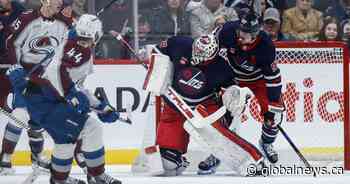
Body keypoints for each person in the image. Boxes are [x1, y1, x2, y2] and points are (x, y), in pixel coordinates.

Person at [6, 14, 122, 184]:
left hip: (43, 99)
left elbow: (73, 84)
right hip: (46, 101)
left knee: (65, 140)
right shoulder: (78, 51)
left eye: (86, 39)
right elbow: (57, 75)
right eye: (83, 38)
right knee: (91, 127)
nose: (84, 42)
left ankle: (60, 179)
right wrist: (75, 96)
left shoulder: (69, 39)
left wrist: (99, 105)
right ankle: (97, 176)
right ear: (97, 36)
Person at [143, 34, 265, 176]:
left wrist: (234, 96)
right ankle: (177, 160)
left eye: (203, 54)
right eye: (197, 50)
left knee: (217, 134)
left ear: (212, 56)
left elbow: (230, 92)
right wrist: (158, 70)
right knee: (167, 166)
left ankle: (252, 161)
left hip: (204, 107)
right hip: (174, 106)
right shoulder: (179, 44)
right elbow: (158, 52)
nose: (197, 55)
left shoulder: (222, 68)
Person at [199, 11, 284, 174]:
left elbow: (273, 78)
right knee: (227, 115)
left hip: (259, 81)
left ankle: (266, 143)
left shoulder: (266, 46)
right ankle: (218, 153)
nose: (242, 36)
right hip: (234, 78)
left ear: (257, 33)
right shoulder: (227, 30)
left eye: (248, 33)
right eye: (241, 31)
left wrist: (271, 108)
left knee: (275, 115)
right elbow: (209, 47)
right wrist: (215, 78)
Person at [0, 0, 73, 175]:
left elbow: (75, 46)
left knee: (38, 119)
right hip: (26, 75)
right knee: (20, 113)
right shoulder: (26, 17)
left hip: (48, 79)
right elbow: (10, 41)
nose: (58, 3)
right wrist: (17, 64)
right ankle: (5, 160)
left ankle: (37, 158)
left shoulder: (65, 22)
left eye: (60, 1)